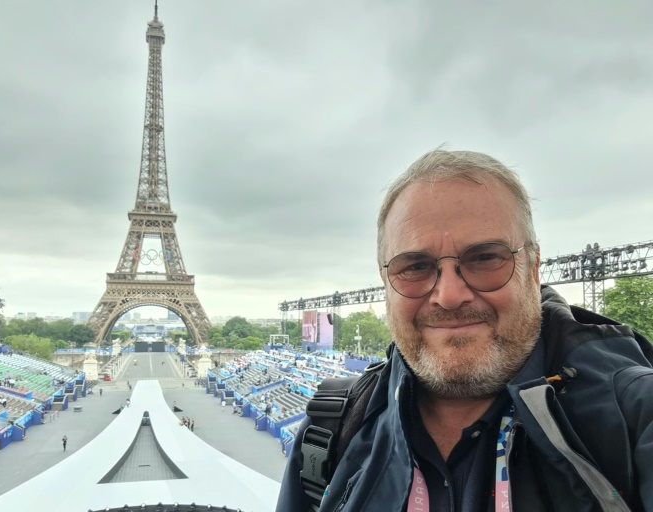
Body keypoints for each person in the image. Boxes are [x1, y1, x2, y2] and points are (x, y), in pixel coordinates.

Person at [276, 149, 653, 511]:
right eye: (415, 266)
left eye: (486, 258)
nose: (450, 295)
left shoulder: (635, 418)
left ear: (533, 268)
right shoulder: (330, 428)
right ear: (386, 282)